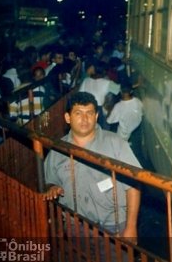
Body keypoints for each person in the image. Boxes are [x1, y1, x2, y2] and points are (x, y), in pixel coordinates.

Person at [43, 91, 141, 241]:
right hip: (74, 229)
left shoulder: (116, 143)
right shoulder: (57, 150)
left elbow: (133, 186)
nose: (84, 119)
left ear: (96, 117)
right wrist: (51, 188)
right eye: (78, 113)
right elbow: (49, 181)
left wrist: (131, 226)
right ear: (68, 118)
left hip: (114, 228)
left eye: (89, 113)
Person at [106, 83, 143, 150]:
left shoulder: (118, 106)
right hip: (135, 129)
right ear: (131, 91)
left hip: (123, 135)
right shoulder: (138, 102)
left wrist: (109, 110)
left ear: (120, 92)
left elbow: (109, 121)